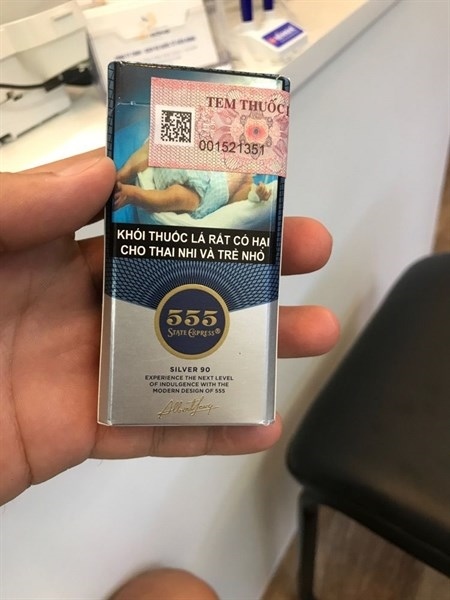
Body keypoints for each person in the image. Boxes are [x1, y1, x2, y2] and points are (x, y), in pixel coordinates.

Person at [0, 148, 340, 598]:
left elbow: (250, 197)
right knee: (149, 159)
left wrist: (253, 193)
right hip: (183, 171)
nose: (251, 175)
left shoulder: (243, 186)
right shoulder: (221, 158)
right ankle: (126, 177)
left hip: (196, 195)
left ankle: (131, 191)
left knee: (177, 199)